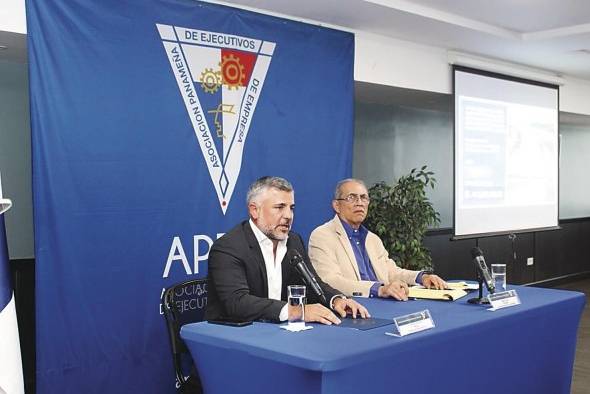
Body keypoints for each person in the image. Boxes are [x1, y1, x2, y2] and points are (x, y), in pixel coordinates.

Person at [205, 176, 369, 325]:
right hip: (235, 337)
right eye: (279, 207)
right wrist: (297, 311)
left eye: (291, 208)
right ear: (255, 210)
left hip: (279, 333)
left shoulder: (293, 241)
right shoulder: (228, 247)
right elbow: (238, 303)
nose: (288, 215)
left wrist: (336, 299)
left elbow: (313, 283)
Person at [308, 178, 447, 300]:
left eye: (364, 198)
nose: (359, 203)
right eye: (352, 197)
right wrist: (378, 289)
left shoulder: (372, 239)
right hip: (354, 307)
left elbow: (391, 272)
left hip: (385, 304)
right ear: (336, 206)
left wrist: (422, 277)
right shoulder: (322, 236)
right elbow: (330, 281)